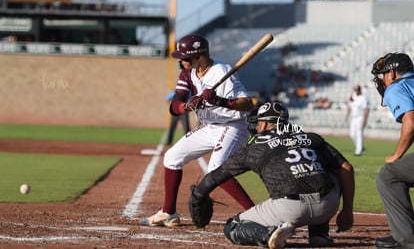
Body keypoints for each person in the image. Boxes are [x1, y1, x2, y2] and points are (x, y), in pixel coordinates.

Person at [190, 101, 355, 248]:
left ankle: (269, 235)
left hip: (290, 209)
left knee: (232, 227)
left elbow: (217, 176)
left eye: (258, 122)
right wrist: (347, 209)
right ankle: (319, 233)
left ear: (264, 124)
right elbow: (347, 168)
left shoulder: (255, 147)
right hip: (329, 205)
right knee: (331, 173)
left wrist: (198, 194)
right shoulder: (310, 138)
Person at [140, 34, 255, 227]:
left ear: (199, 57)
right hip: (209, 126)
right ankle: (169, 213)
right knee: (172, 157)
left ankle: (255, 213)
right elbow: (175, 104)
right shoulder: (187, 73)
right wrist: (186, 106)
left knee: (215, 170)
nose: (180, 61)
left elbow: (247, 104)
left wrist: (220, 101)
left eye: (184, 57)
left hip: (232, 126)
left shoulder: (222, 72)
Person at [371, 52, 414, 249]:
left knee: (389, 176)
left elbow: (411, 122)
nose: (382, 80)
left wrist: (397, 154)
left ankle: (407, 239)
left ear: (393, 73)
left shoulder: (397, 87)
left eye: (384, 74)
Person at [165, 63, 191, 145]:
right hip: (176, 112)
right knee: (172, 127)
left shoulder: (187, 92)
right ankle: (168, 142)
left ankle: (189, 142)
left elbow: (191, 100)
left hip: (183, 112)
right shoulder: (174, 92)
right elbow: (167, 99)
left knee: (186, 127)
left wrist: (187, 107)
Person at [344, 85, 370, 156]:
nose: (356, 91)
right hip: (353, 117)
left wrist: (365, 119)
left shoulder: (363, 98)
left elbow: (367, 109)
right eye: (355, 89)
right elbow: (349, 106)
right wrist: (347, 116)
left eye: (357, 90)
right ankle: (360, 147)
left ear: (360, 90)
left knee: (359, 133)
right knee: (352, 134)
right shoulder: (352, 96)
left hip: (360, 117)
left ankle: (358, 151)